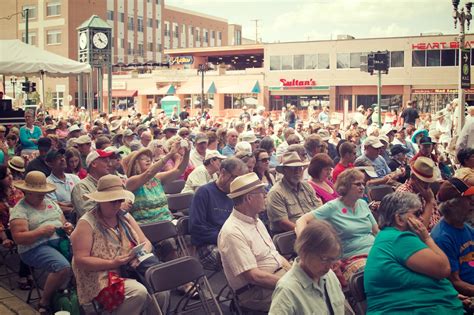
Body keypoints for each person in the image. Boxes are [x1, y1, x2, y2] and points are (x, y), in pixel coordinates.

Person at [364, 192, 464, 315]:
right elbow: (443, 269)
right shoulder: (399, 239)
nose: (421, 218)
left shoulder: (390, 236)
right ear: (399, 219)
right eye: (417, 214)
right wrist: (427, 238)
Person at [71, 175, 154, 314]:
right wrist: (112, 263)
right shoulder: (86, 223)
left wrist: (140, 254)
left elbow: (146, 242)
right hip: (102, 276)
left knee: (160, 289)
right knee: (138, 292)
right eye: (112, 202)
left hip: (129, 268)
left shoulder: (125, 216)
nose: (117, 205)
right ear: (100, 201)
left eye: (120, 201)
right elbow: (80, 260)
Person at [218, 173, 291, 312]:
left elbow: (274, 255)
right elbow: (253, 276)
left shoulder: (255, 220)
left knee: (321, 280)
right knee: (308, 299)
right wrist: (291, 284)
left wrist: (292, 272)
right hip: (257, 292)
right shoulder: (232, 232)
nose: (266, 195)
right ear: (249, 198)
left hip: (276, 279)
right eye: (262, 192)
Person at [296, 168, 379, 285]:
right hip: (353, 258)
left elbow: (376, 232)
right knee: (377, 272)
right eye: (357, 184)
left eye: (363, 184)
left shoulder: (363, 204)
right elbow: (302, 220)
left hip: (375, 251)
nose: (362, 187)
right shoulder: (333, 207)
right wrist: (305, 243)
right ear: (346, 187)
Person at [10, 171, 74, 314]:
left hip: (59, 242)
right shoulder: (20, 210)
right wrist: (40, 232)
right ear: (28, 192)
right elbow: (18, 238)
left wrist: (67, 227)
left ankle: (71, 295)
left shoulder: (50, 203)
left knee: (83, 258)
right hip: (33, 248)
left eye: (43, 192)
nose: (42, 195)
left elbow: (63, 221)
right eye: (39, 193)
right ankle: (44, 301)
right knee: (62, 267)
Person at [269, 220, 346, 315]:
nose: (330, 266)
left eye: (333, 259)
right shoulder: (287, 290)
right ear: (304, 252)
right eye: (325, 259)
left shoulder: (329, 276)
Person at [189, 158, 247, 270]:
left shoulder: (236, 194)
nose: (238, 183)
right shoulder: (204, 192)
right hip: (208, 245)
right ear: (223, 172)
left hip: (234, 240)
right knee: (241, 259)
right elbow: (196, 228)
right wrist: (227, 238)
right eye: (236, 178)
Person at [125, 142, 190, 224]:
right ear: (135, 164)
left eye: (149, 158)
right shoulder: (131, 182)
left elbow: (179, 171)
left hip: (167, 222)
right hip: (146, 226)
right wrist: (170, 154)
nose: (148, 160)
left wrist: (187, 152)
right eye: (143, 158)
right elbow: (149, 173)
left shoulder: (157, 178)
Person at [431, 178, 474, 297]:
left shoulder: (466, 227)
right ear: (452, 205)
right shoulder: (442, 238)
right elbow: (455, 282)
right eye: (467, 199)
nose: (472, 202)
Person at [267, 151, 322, 234]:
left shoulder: (307, 186)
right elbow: (283, 223)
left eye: (299, 168)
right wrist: (307, 233)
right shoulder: (276, 192)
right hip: (291, 235)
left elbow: (319, 210)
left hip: (314, 231)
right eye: (292, 168)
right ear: (284, 171)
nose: (297, 172)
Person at [0, 165, 32, 290]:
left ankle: (27, 272)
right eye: (6, 176)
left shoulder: (17, 191)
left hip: (19, 225)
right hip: (4, 231)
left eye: (10, 174)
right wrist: (3, 238)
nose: (10, 177)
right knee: (24, 239)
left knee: (30, 237)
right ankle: (25, 274)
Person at [396, 157, 440, 230]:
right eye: (424, 182)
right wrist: (429, 202)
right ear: (413, 178)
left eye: (429, 182)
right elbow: (419, 230)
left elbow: (436, 218)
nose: (427, 186)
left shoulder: (425, 190)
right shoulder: (404, 194)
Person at [71, 150, 114, 218]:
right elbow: (88, 213)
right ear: (94, 164)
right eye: (105, 161)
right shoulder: (81, 186)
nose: (110, 164)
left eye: (109, 161)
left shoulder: (111, 184)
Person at [46, 149, 80, 222]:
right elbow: (54, 207)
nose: (62, 159)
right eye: (57, 158)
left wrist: (65, 204)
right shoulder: (48, 183)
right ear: (50, 164)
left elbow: (83, 198)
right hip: (62, 220)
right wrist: (75, 208)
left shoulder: (74, 178)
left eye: (62, 157)